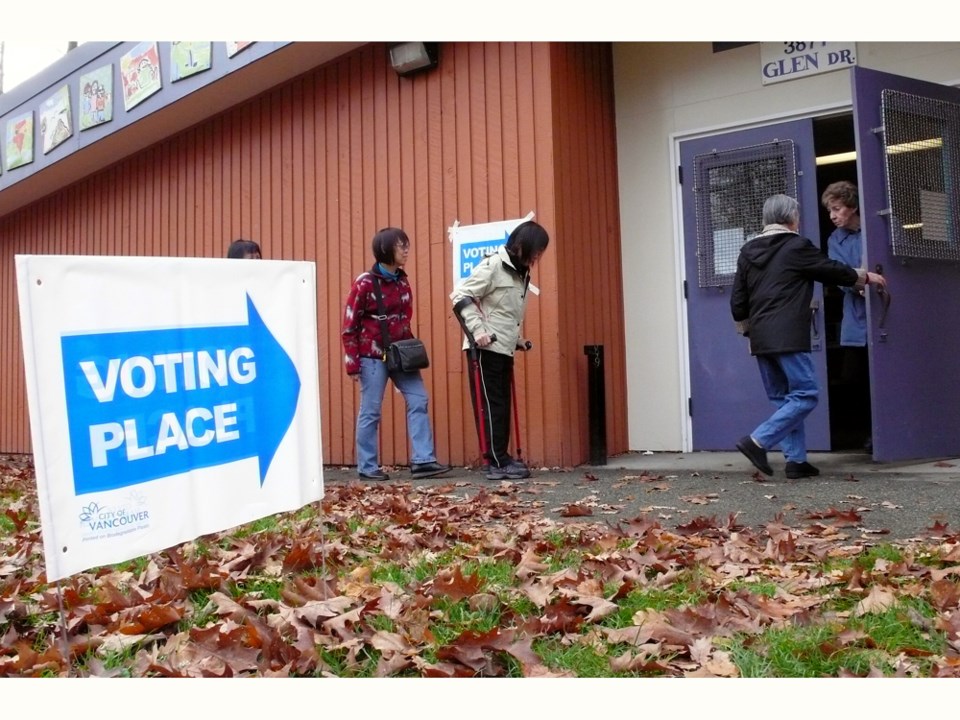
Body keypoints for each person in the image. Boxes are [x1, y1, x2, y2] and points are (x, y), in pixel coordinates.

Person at [730, 194, 886, 479]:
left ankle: (796, 461)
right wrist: (864, 277)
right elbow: (829, 270)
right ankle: (758, 441)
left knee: (784, 399)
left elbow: (738, 302)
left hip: (761, 338)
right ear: (791, 219)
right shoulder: (795, 246)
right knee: (805, 395)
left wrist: (750, 331)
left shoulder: (747, 251)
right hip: (788, 335)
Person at [341, 227, 450, 481]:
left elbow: (404, 318)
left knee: (419, 399)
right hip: (371, 356)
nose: (406, 250)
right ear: (385, 250)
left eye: (406, 245)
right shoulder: (365, 283)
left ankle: (423, 461)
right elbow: (349, 326)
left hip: (400, 354)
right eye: (401, 245)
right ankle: (367, 467)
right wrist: (352, 363)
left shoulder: (402, 279)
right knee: (371, 410)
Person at [449, 220, 550, 480]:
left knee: (501, 405)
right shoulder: (494, 265)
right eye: (536, 250)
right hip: (484, 348)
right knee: (491, 405)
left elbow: (504, 312)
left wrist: (517, 339)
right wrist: (478, 331)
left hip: (503, 348)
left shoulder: (521, 273)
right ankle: (496, 461)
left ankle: (501, 457)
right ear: (522, 246)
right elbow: (461, 295)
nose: (538, 256)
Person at [821, 181, 871, 451]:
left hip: (886, 317)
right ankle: (866, 434)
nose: (832, 215)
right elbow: (839, 274)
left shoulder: (878, 228)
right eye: (830, 210)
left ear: (851, 207)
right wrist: (860, 282)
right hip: (855, 319)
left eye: (836, 208)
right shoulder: (834, 240)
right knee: (856, 380)